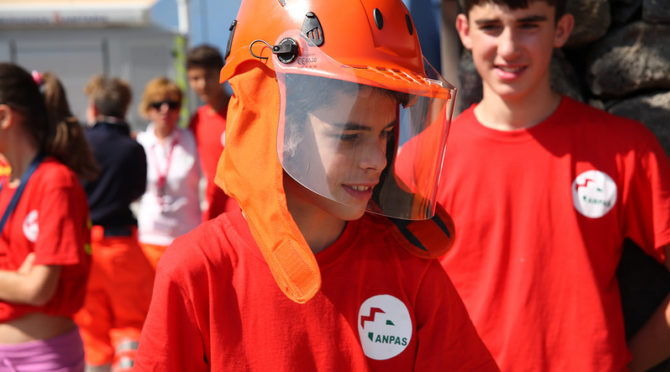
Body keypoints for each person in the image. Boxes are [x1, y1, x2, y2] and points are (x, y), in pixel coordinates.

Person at [134, 0, 499, 370]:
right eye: (349, 136)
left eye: (387, 134)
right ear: (275, 123)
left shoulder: (407, 265)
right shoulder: (199, 270)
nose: (379, 159)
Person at [434, 0, 670, 370]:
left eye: (529, 25)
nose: (509, 47)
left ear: (561, 30)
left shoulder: (626, 149)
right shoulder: (425, 160)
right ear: (464, 30)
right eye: (491, 27)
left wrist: (629, 362)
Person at [0, 64, 97, 371]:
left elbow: (38, 290)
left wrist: (22, 281)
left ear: (4, 117)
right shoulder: (5, 184)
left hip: (43, 359)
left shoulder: (55, 181)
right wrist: (16, 279)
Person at [74, 75, 155, 371]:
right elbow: (138, 191)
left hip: (85, 247)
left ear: (93, 108)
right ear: (125, 108)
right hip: (122, 246)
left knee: (91, 327)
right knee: (131, 323)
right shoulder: (132, 148)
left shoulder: (80, 144)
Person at [135, 77, 201, 269]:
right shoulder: (140, 143)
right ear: (148, 110)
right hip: (149, 236)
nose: (165, 109)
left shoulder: (191, 139)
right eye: (158, 105)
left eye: (172, 105)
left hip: (186, 236)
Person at [186, 44, 238, 221]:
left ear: (221, 73)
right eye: (195, 78)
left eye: (208, 76)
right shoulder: (196, 120)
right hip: (211, 211)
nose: (202, 84)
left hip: (242, 210)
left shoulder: (240, 110)